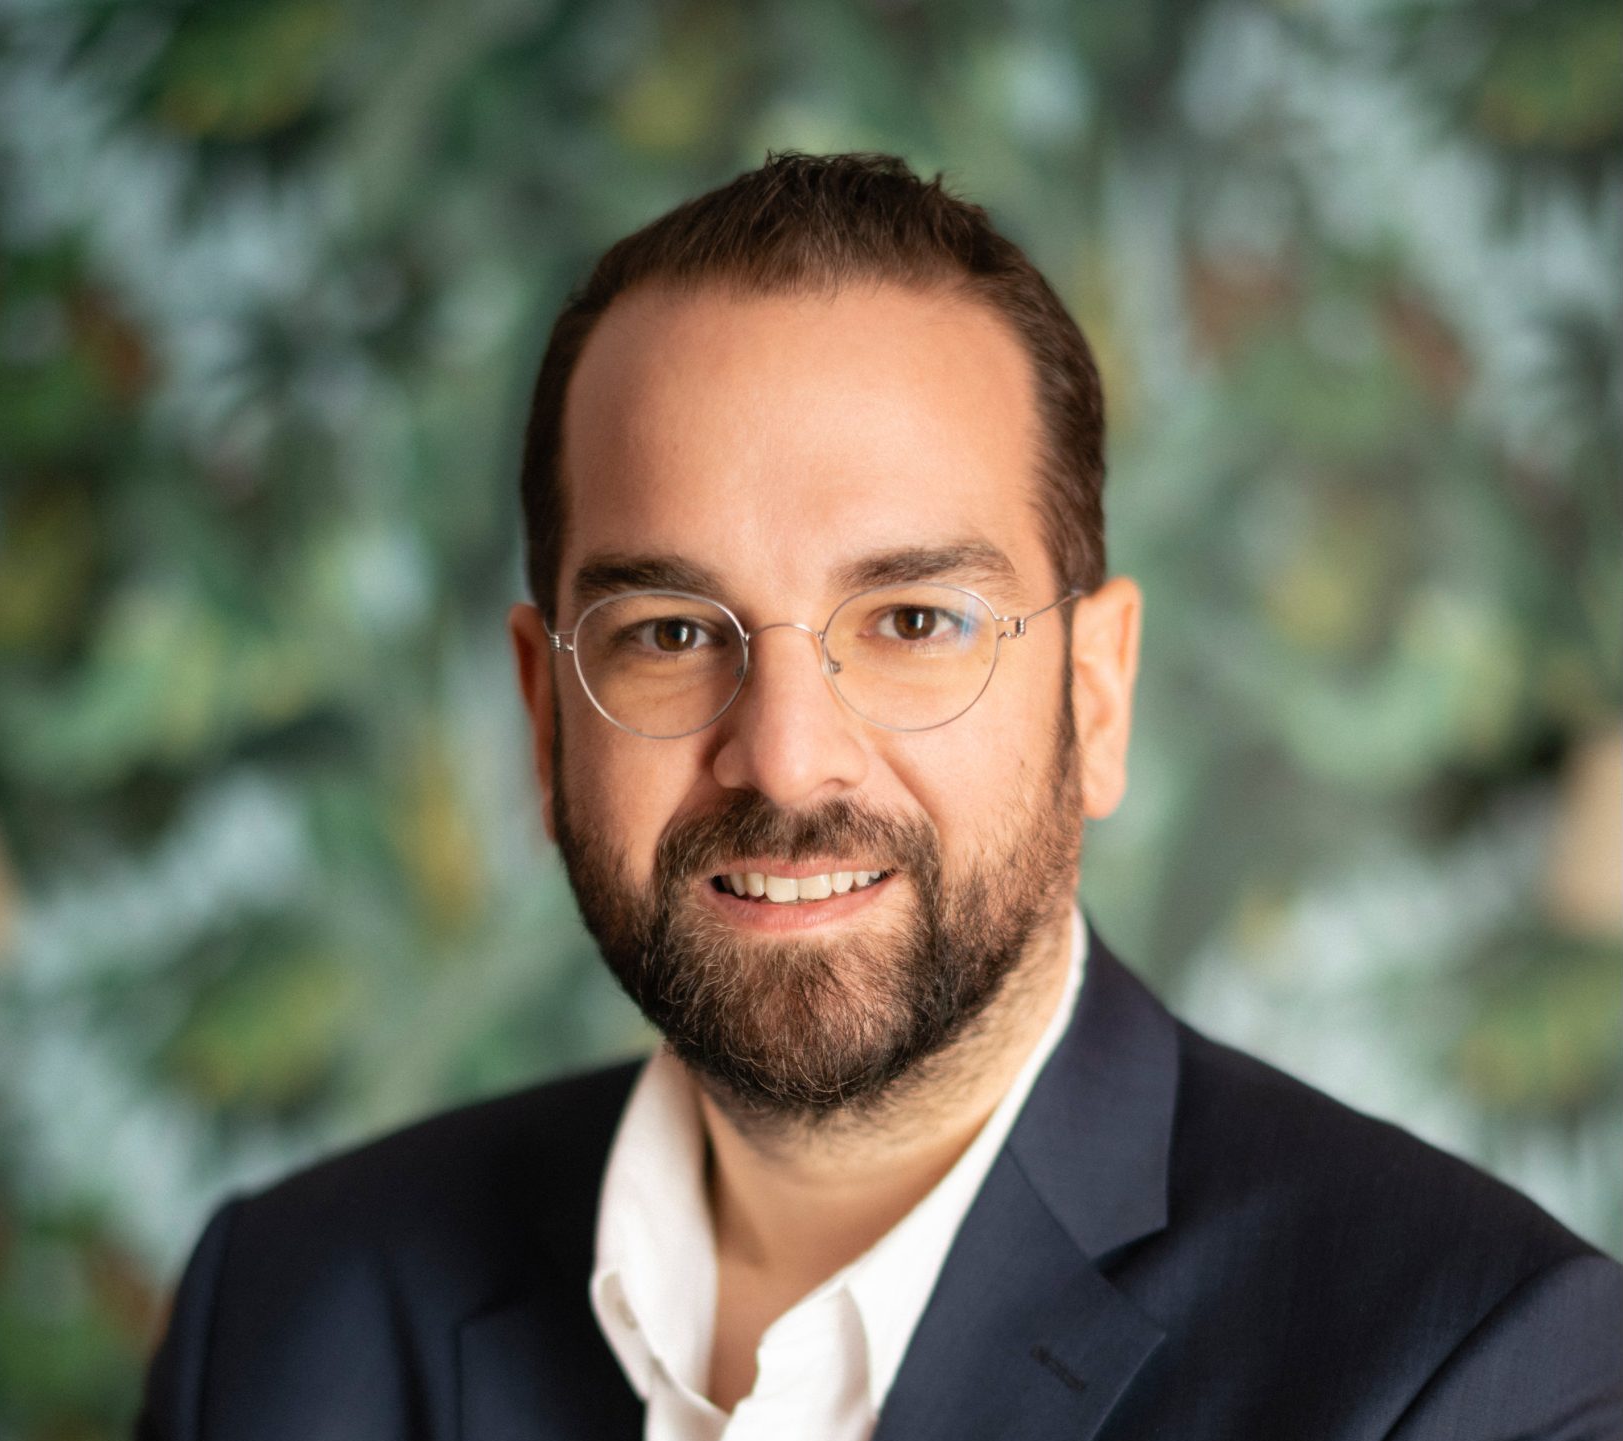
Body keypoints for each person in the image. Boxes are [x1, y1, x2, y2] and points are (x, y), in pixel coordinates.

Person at [136, 153, 1622, 1441]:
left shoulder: (1482, 1375)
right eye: (670, 635)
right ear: (544, 717)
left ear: (1097, 697)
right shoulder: (279, 1317)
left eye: (914, 621)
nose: (787, 758)